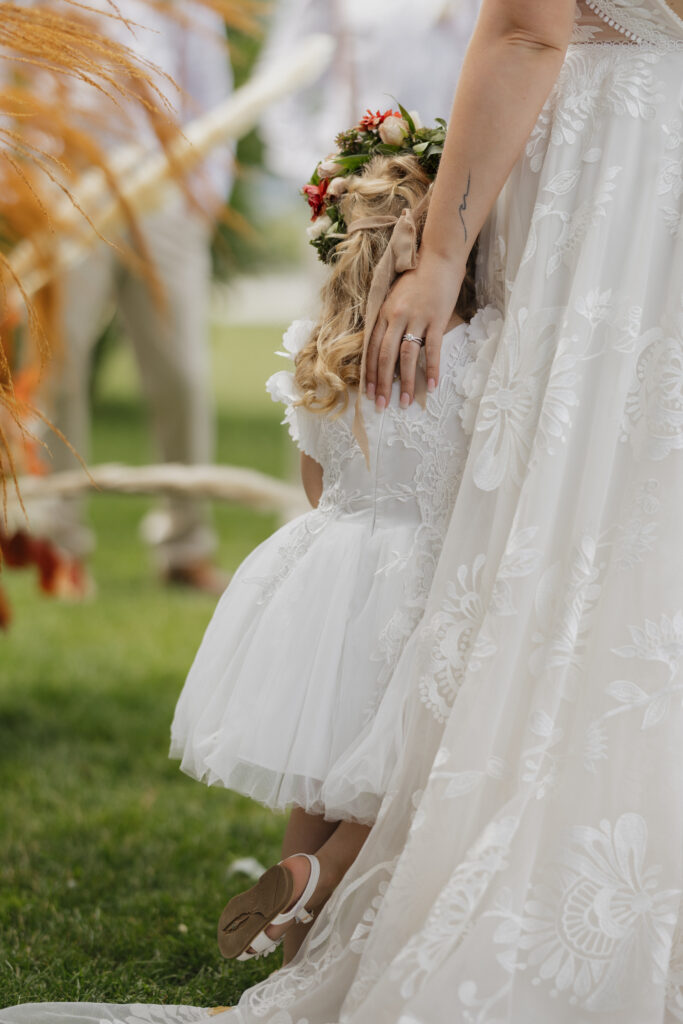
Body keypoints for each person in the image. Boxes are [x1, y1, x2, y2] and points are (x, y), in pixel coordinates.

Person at [171, 119, 499, 965]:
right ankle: (314, 874)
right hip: (424, 579)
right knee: (402, 782)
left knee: (321, 774)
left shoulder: (319, 353)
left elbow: (320, 489)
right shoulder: (478, 352)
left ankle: (291, 956)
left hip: (329, 575)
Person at [29, 0, 233, 596]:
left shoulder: (189, 8)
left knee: (183, 374)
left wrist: (203, 198)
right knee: (57, 365)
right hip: (67, 184)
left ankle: (186, 543)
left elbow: (210, 99)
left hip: (163, 191)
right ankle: (58, 544)